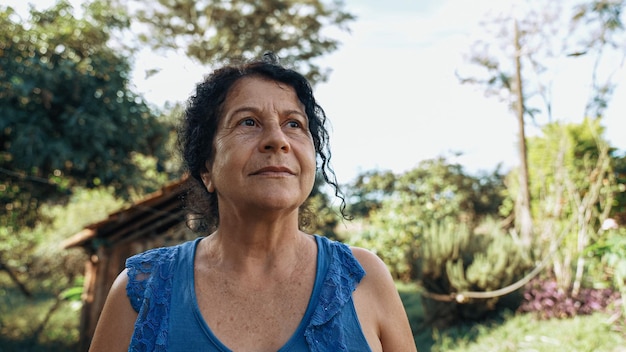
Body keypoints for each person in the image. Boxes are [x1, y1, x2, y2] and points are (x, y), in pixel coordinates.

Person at [89, 52, 417, 352]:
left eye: (294, 124)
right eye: (248, 122)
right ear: (207, 169)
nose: (278, 140)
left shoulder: (364, 277)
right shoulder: (141, 292)